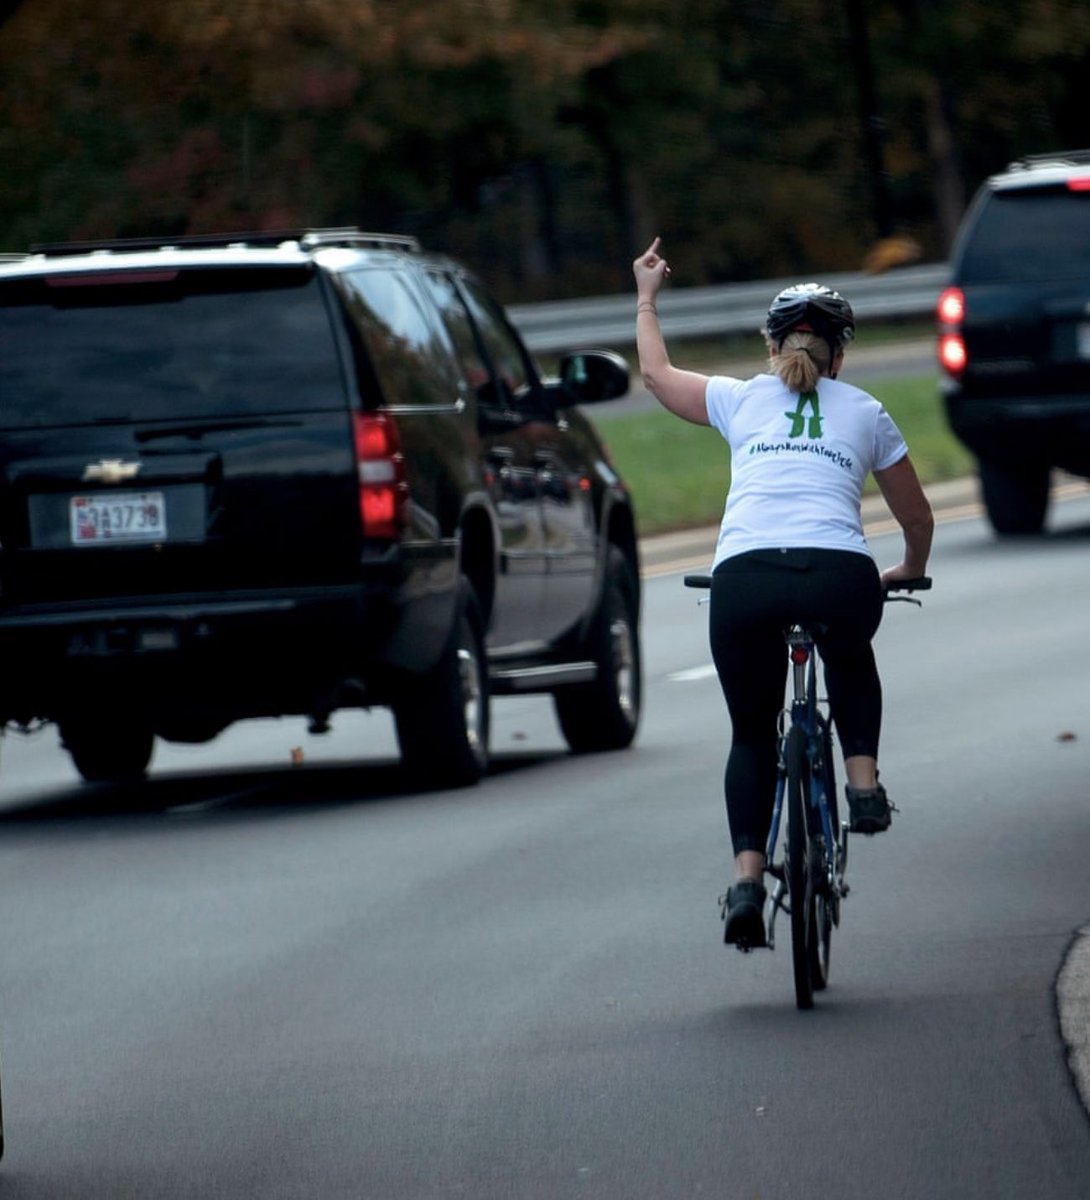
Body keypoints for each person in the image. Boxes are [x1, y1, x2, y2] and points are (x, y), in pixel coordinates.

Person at [632, 237, 934, 949]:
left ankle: (745, 879)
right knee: (851, 652)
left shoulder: (738, 399)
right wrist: (909, 566)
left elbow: (654, 374)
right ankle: (862, 786)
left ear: (773, 346)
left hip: (746, 578)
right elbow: (915, 515)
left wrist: (647, 295)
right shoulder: (865, 410)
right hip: (838, 574)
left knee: (750, 733)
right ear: (841, 355)